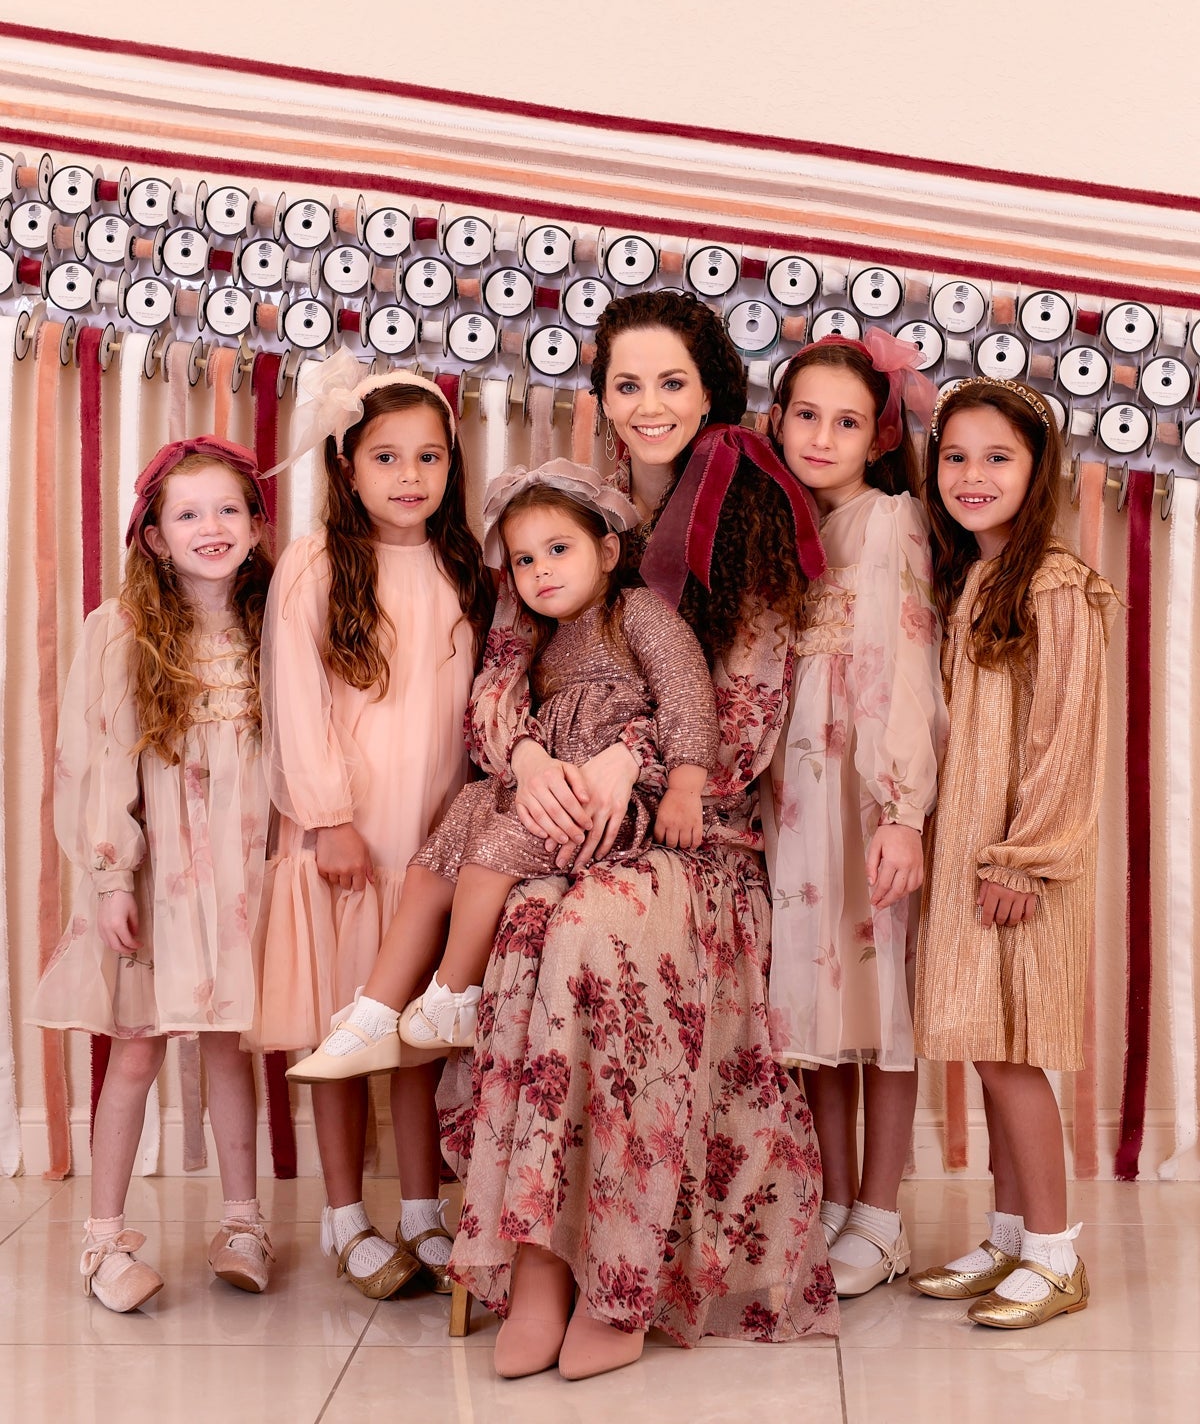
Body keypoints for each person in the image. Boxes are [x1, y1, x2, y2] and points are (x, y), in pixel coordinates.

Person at [441, 289, 838, 1382]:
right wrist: (529, 763)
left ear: (711, 391)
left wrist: (634, 761)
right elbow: (499, 675)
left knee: (592, 932)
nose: (648, 403)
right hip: (562, 820)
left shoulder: (751, 525)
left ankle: (619, 1280)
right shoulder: (571, 510)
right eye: (627, 383)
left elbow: (744, 722)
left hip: (693, 836)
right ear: (602, 398)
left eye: (672, 381)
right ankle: (536, 1266)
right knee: (526, 920)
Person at [286, 460, 717, 1075]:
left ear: (607, 552)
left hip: (609, 800)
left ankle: (453, 995)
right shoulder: (542, 638)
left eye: (559, 550)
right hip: (551, 788)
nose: (541, 570)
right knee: (446, 840)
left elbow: (686, 690)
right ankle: (375, 1013)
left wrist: (685, 786)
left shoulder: (636, 612)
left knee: (496, 846)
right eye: (523, 560)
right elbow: (498, 712)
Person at [251, 349, 492, 1299]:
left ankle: (423, 1210)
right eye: (386, 457)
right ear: (347, 466)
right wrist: (328, 820)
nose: (409, 476)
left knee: (418, 1036)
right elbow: (297, 702)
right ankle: (346, 1215)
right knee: (347, 1032)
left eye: (428, 457)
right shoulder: (316, 565)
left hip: (434, 844)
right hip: (349, 842)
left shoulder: (466, 567)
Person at [31, 437, 276, 1311]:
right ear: (154, 536)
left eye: (229, 509)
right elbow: (101, 760)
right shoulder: (124, 629)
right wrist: (110, 878)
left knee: (229, 1045)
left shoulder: (272, 625)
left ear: (257, 524)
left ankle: (243, 1221)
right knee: (136, 1049)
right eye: (188, 513)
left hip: (241, 876)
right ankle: (103, 1239)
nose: (212, 526)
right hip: (157, 880)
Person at [909, 377, 1117, 1328]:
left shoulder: (1055, 584)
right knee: (982, 1043)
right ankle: (1008, 1236)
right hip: (970, 849)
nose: (973, 474)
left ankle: (1056, 1254)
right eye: (956, 456)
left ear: (1038, 472)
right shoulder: (975, 579)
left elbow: (1067, 733)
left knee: (1010, 1054)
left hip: (1021, 859)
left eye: (998, 457)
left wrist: (1022, 857)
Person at [761, 333, 945, 1295]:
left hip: (860, 786)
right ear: (777, 420)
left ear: (878, 437)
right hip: (794, 788)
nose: (821, 437)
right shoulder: (780, 523)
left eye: (847, 422)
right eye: (807, 415)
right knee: (813, 996)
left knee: (880, 995)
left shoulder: (889, 519)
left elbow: (904, 664)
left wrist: (901, 808)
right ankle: (833, 1199)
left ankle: (880, 1213)